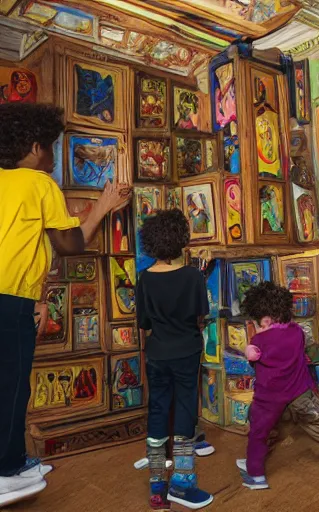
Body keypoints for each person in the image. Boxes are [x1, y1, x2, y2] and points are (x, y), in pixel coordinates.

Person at [0, 103, 130, 507]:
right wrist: (103, 208)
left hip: (15, 298)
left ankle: (17, 461)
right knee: (12, 388)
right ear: (36, 147)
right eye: (53, 149)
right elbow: (69, 245)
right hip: (9, 302)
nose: (54, 159)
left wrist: (40, 298)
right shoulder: (39, 184)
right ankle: (5, 472)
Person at [136, 209, 213, 510]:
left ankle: (157, 487)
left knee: (157, 411)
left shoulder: (144, 279)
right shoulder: (193, 276)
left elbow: (145, 323)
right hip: (186, 352)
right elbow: (199, 317)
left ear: (150, 243)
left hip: (157, 353)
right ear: (181, 240)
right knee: (184, 415)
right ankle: (182, 484)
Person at [236, 281, 319, 490]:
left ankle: (256, 475)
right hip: (300, 391)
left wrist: (250, 351)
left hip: (269, 399)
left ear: (264, 319)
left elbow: (254, 359)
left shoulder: (259, 340)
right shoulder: (297, 332)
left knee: (258, 432)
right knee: (314, 424)